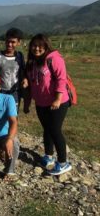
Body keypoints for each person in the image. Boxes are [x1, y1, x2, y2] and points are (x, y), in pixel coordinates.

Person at [23, 34, 71, 175]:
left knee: (55, 130)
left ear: (46, 46)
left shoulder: (54, 59)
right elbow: (30, 81)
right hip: (41, 102)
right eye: (34, 45)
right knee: (46, 129)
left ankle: (63, 162)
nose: (36, 48)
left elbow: (61, 79)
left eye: (40, 46)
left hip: (58, 102)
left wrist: (57, 99)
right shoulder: (32, 62)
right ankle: (48, 156)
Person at [0, 28, 25, 110]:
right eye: (8, 41)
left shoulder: (20, 56)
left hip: (15, 92)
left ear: (19, 42)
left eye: (13, 42)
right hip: (0, 91)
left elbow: (23, 73)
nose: (9, 44)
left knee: (13, 115)